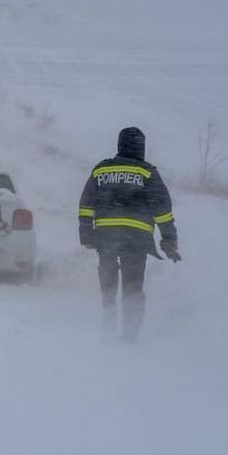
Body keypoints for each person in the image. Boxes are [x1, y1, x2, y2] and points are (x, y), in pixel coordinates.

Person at [78, 127, 181, 341]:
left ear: (120, 145)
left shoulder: (101, 170)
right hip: (137, 239)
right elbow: (162, 209)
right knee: (132, 286)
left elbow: (86, 204)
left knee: (108, 285)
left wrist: (87, 234)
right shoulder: (147, 172)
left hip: (106, 237)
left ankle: (108, 327)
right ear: (141, 147)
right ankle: (130, 333)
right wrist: (169, 239)